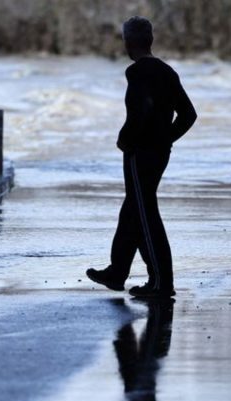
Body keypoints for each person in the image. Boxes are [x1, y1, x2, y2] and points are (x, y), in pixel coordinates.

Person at [87, 16, 197, 298]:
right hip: (158, 152)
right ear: (150, 40)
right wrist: (166, 139)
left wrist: (127, 138)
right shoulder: (167, 71)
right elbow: (188, 114)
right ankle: (117, 272)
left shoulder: (137, 72)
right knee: (133, 210)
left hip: (141, 153)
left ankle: (161, 282)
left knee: (145, 215)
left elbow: (141, 110)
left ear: (128, 42)